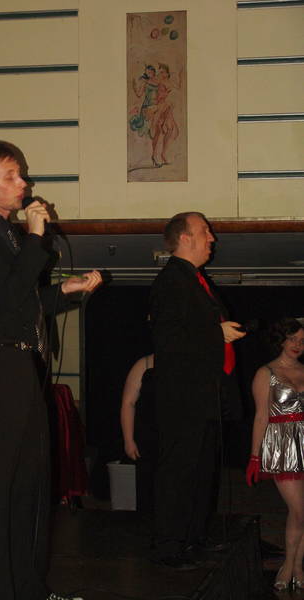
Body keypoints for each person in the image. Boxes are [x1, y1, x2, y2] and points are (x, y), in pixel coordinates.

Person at [0, 140, 102, 600]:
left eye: (21, 174)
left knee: (30, 485)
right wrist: (36, 237)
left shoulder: (6, 233)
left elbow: (22, 302)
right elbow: (8, 295)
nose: (24, 183)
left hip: (20, 364)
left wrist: (66, 291)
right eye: (12, 176)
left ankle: (31, 589)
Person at [148, 211, 246, 569]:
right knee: (179, 471)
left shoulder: (196, 280)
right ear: (185, 238)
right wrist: (216, 333)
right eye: (205, 231)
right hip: (183, 398)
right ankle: (168, 546)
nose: (212, 238)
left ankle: (194, 538)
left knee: (203, 472)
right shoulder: (171, 280)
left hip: (204, 395)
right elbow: (167, 338)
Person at [246, 318, 304, 591]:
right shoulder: (265, 372)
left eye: (302, 341)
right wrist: (254, 457)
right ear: (282, 339)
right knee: (299, 509)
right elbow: (261, 417)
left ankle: (297, 566)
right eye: (293, 339)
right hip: (281, 446)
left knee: (301, 511)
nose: (297, 345)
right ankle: (289, 565)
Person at [120, 354, 156, 513]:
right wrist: (128, 440)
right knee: (147, 491)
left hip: (177, 441)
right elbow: (128, 403)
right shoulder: (144, 364)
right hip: (148, 441)